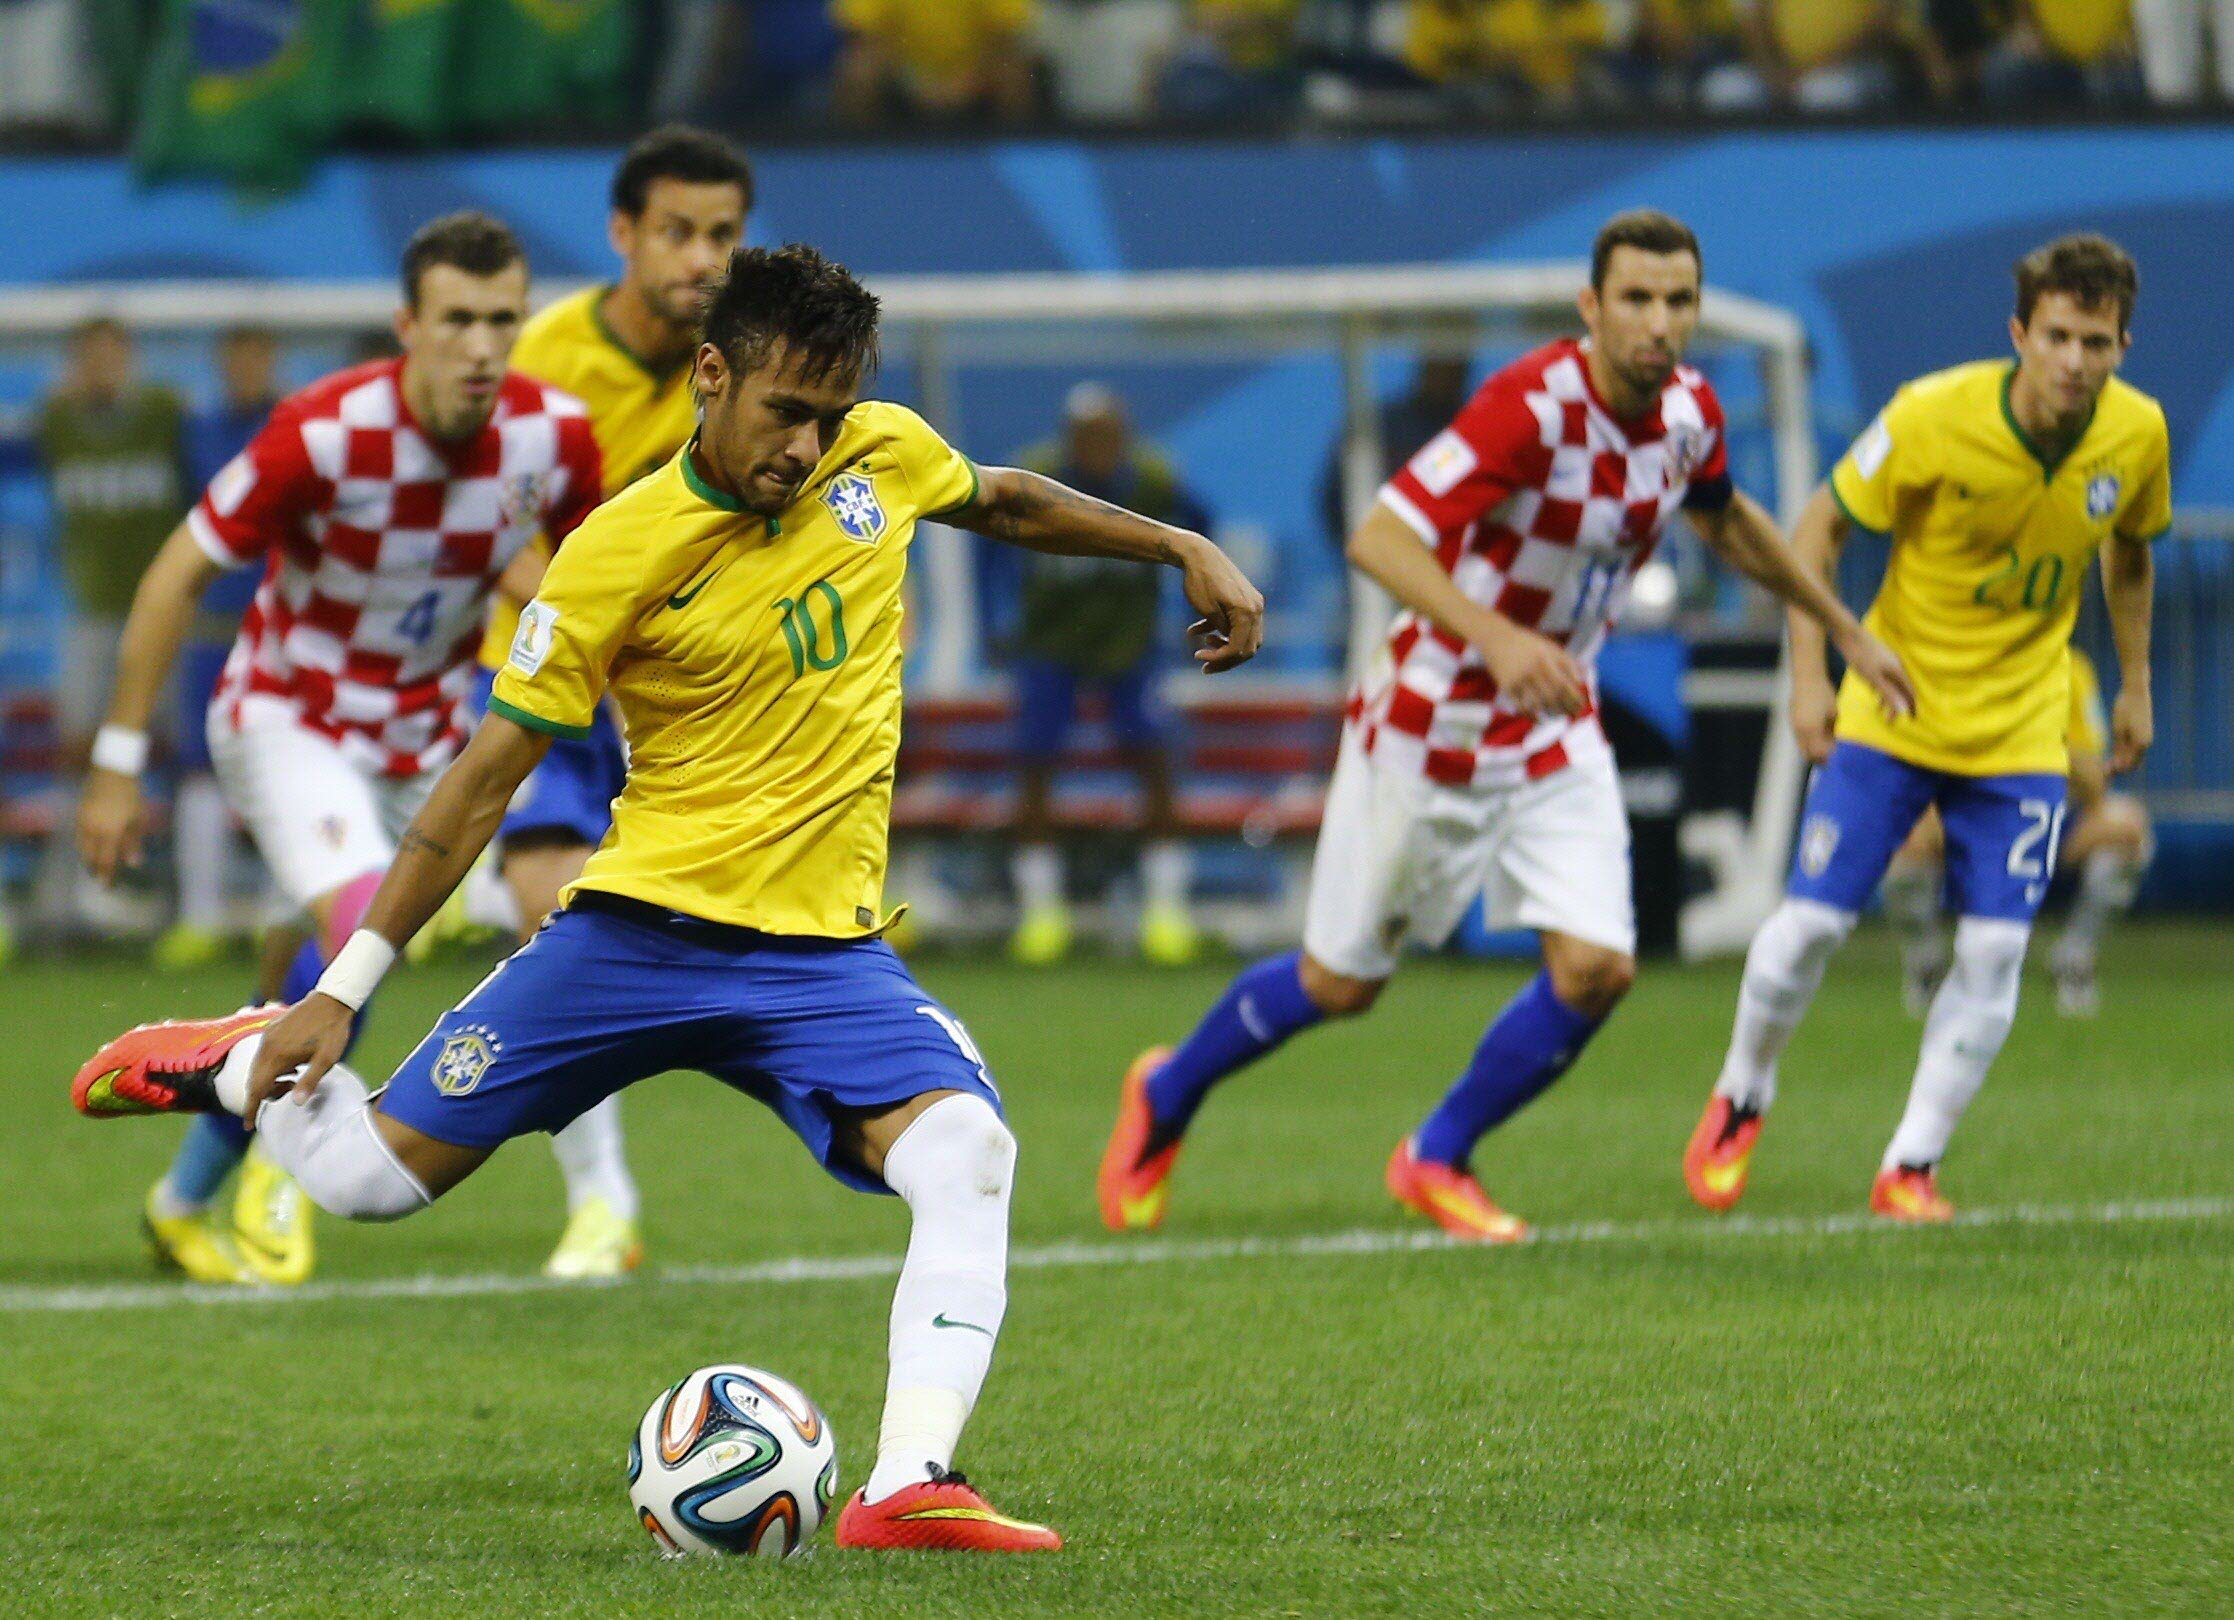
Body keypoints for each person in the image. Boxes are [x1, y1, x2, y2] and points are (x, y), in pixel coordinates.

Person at [70, 244, 1264, 1551]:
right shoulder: (611, 552)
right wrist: (341, 990)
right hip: (634, 939)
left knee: (969, 1154)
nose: (805, 446)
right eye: (782, 411)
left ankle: (906, 1482)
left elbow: (1006, 501)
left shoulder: (884, 452)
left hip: (826, 960)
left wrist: (1177, 545)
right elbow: (479, 785)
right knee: (363, 1185)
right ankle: (245, 1065)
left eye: (827, 414)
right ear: (711, 373)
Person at [1097, 211, 1912, 1243]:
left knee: (1598, 969)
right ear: (1591, 306)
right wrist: (1496, 639)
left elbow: (1724, 517)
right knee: (1339, 986)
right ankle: (1165, 1094)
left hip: (1550, 728)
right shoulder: (1528, 408)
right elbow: (1378, 536)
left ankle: (1435, 1154)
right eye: (1636, 300)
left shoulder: (1688, 411)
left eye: (1677, 302)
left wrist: (1840, 625)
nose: (1658, 323)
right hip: (1431, 715)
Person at [74, 213, 602, 1286]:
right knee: (368, 926)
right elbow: (179, 569)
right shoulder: (320, 433)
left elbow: (576, 571)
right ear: (408, 324)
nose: (482, 345)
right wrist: (119, 758)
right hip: (286, 718)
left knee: (305, 973)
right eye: (456, 319)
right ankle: (292, 1158)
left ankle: (179, 1202)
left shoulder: (555, 437)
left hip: (418, 743)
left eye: (504, 319)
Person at [1685, 234, 2166, 1222]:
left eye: (2098, 342)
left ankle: (1909, 1163)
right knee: (1808, 925)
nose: (2075, 361)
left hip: (2023, 725)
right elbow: (1816, 526)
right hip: (1894, 705)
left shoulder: (2136, 433)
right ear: (2018, 335)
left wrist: (2132, 684)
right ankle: (1740, 1095)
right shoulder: (1929, 416)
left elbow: (2127, 554)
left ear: (2121, 344)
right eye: (2058, 337)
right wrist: (1811, 671)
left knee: (1992, 953)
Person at [465, 124, 753, 1281]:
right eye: (676, 233)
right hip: (548, 678)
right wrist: (602, 626)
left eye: (722, 235)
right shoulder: (540, 360)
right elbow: (491, 535)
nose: (700, 258)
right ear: (622, 235)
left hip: (687, 693)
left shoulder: (747, 364)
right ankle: (604, 1200)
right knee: (555, 923)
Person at [1005, 383, 1211, 969]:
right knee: (1034, 764)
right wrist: (1000, 615)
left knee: (1154, 761)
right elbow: (988, 544)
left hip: (1128, 645)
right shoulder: (1036, 478)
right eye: (1088, 436)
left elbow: (1201, 532)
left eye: (1109, 435)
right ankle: (1041, 913)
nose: (1099, 448)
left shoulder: (1153, 480)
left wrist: (1202, 597)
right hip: (1051, 643)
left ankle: (1168, 912)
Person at [1881, 647, 2152, 1019]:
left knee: (2127, 827)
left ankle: (2074, 958)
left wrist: (2032, 735)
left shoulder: (2070, 668)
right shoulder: (1955, 660)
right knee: (1906, 831)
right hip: (1971, 822)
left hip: (2048, 823)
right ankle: (1927, 964)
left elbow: (2093, 785)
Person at [32, 315, 190, 938]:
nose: (102, 368)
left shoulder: (163, 415)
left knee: (178, 755)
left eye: (112, 355)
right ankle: (61, 899)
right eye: (89, 357)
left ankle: (179, 901)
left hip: (164, 612)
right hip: (92, 614)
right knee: (75, 751)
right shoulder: (56, 423)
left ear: (130, 361)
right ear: (75, 364)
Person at [155, 324, 285, 972]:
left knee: (280, 766)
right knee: (198, 769)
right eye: (235, 353)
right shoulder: (194, 432)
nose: (245, 365)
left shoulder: (297, 430)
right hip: (209, 627)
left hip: (281, 627)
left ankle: (274, 915)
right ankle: (200, 917)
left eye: (255, 352)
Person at [832, 0, 1041, 124]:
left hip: (974, 77)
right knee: (859, 68)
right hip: (903, 77)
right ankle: (861, 157)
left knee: (1012, 70)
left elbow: (1002, 41)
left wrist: (965, 80)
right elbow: (869, 40)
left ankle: (1020, 153)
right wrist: (915, 82)